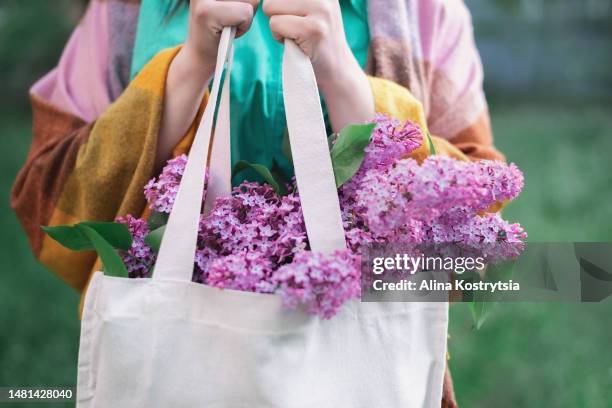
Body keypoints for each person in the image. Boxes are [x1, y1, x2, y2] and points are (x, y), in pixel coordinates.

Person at [12, 1, 503, 406]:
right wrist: (186, 72)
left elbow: (475, 250)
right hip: (171, 366)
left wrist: (348, 87)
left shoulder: (422, 13)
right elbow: (46, 204)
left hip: (356, 374)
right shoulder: (127, 14)